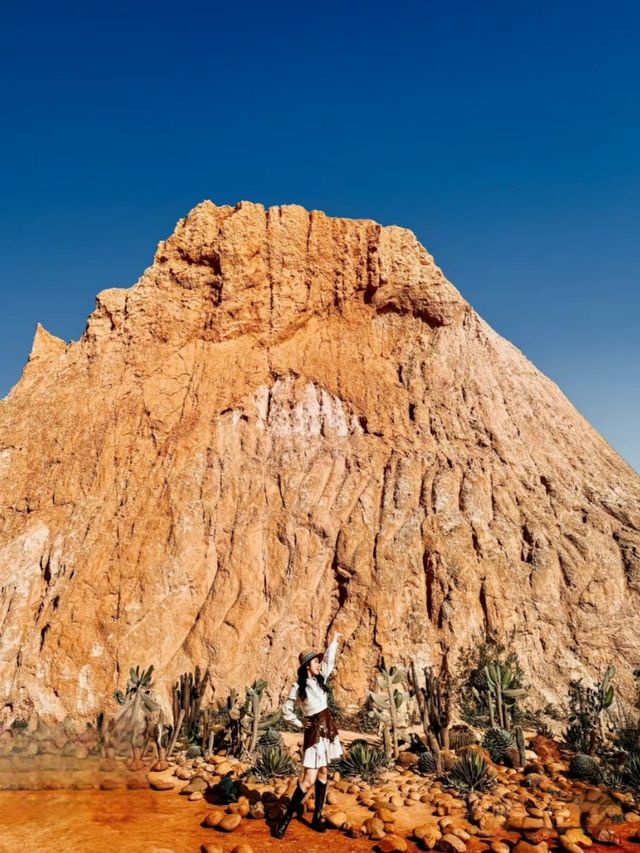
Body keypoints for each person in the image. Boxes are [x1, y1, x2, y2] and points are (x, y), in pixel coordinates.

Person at [274, 631, 343, 838]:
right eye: (315, 662)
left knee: (324, 773)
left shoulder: (321, 679)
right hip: (313, 731)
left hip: (327, 728)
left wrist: (334, 643)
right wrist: (298, 722)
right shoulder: (298, 687)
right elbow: (286, 710)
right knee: (308, 779)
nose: (318, 665)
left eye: (318, 662)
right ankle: (285, 819)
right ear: (306, 666)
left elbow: (329, 663)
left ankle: (317, 817)